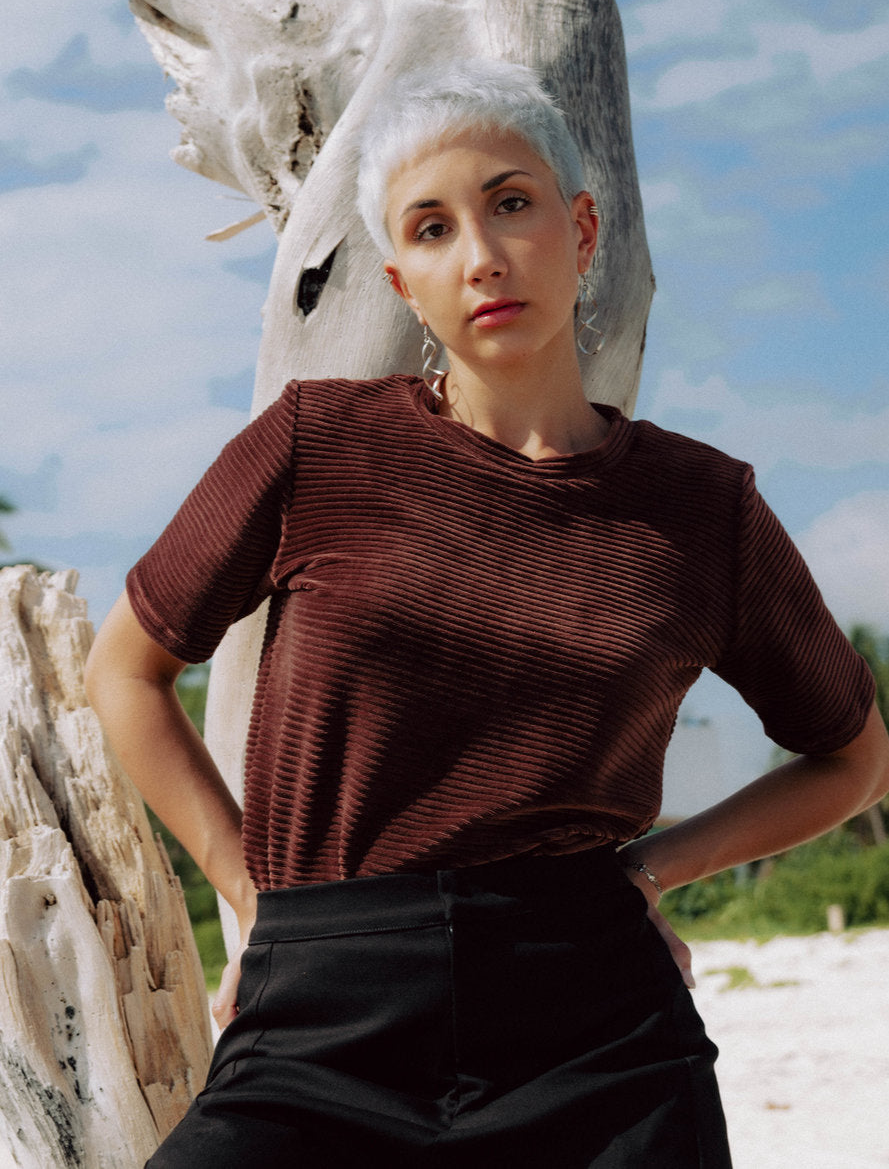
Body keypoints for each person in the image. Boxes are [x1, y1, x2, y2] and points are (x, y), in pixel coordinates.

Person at [85, 59, 889, 1167]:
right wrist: (244, 883)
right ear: (401, 281)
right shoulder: (310, 443)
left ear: (583, 227)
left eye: (511, 202)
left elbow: (851, 757)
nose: (480, 254)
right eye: (431, 227)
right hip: (323, 1012)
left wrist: (651, 869)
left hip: (598, 1033)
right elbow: (122, 673)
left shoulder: (705, 510)